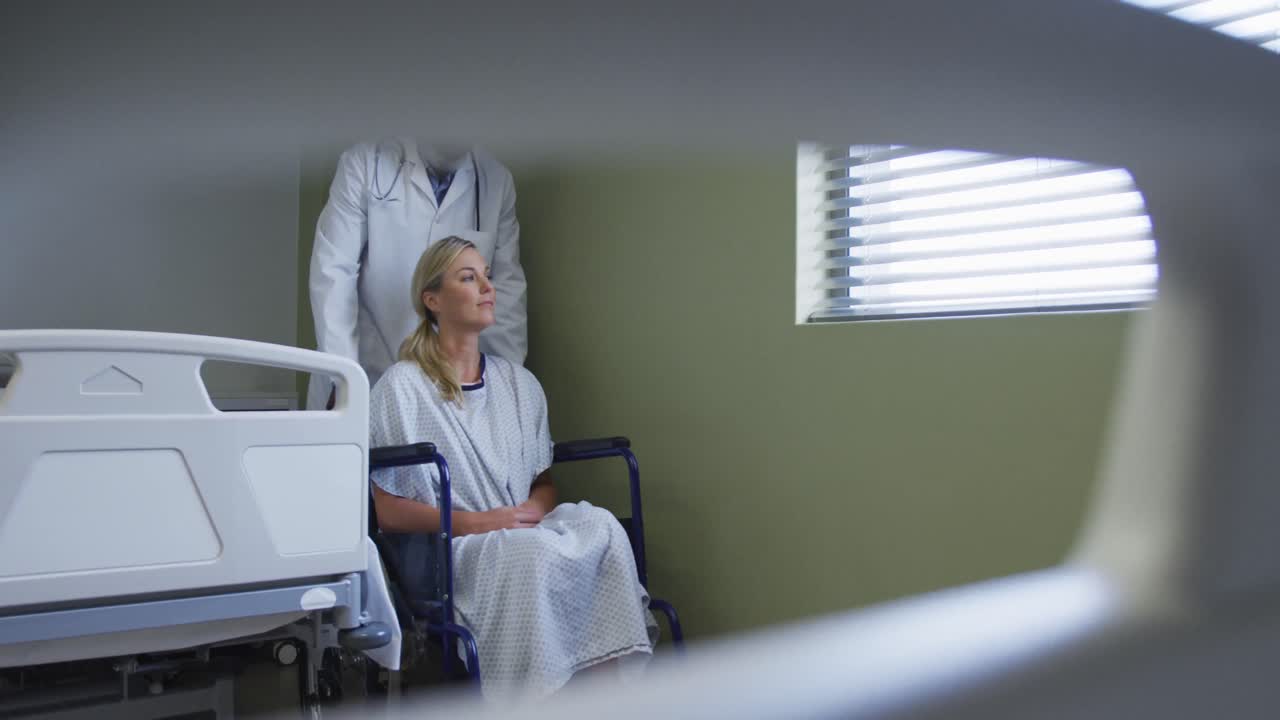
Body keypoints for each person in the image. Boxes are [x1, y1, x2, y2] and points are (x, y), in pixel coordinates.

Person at [368, 236, 655, 700]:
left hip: (520, 529)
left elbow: (543, 483)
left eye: (487, 276)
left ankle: (606, 700)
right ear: (432, 299)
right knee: (532, 553)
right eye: (469, 278)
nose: (487, 287)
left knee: (602, 527)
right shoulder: (401, 388)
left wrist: (532, 511)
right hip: (453, 547)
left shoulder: (520, 385)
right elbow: (388, 511)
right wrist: (482, 522)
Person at [307, 139, 526, 409]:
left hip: (448, 391)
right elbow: (333, 274)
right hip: (366, 374)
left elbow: (506, 296)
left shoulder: (495, 181)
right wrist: (343, 378)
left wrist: (507, 390)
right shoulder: (366, 163)